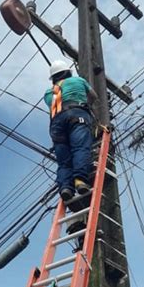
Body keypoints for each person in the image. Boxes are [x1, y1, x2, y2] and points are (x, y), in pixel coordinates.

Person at [44, 59, 98, 201]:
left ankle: (66, 187)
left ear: (53, 78)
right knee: (80, 148)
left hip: (56, 125)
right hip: (77, 115)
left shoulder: (49, 93)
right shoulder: (78, 81)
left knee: (64, 161)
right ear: (68, 71)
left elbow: (54, 106)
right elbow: (93, 96)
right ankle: (80, 180)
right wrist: (88, 105)